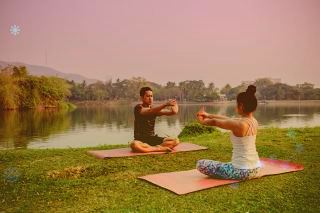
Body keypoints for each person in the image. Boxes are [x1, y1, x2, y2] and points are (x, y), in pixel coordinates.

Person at [196, 85, 261, 180]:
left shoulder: (240, 125)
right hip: (255, 168)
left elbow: (215, 122)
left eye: (237, 104)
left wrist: (202, 121)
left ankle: (233, 169)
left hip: (242, 171)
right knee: (225, 164)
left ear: (241, 106)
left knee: (200, 164)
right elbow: (227, 119)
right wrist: (208, 115)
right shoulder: (253, 121)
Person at [130, 87, 180, 153]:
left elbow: (173, 112)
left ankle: (151, 148)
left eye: (151, 96)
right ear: (141, 98)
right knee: (134, 145)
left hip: (152, 138)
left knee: (175, 141)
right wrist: (165, 104)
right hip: (140, 140)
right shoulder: (138, 108)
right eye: (148, 96)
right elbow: (149, 111)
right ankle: (158, 149)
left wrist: (174, 103)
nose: (150, 98)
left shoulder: (155, 109)